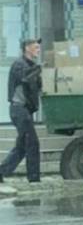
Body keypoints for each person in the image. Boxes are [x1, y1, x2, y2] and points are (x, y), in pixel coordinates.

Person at [0, 38, 42, 184]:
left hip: (24, 111)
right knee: (32, 143)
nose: (38, 49)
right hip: (19, 110)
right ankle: (34, 178)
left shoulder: (31, 65)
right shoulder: (19, 64)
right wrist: (39, 70)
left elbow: (37, 84)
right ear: (27, 48)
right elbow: (25, 77)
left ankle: (2, 172)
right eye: (35, 47)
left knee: (22, 146)